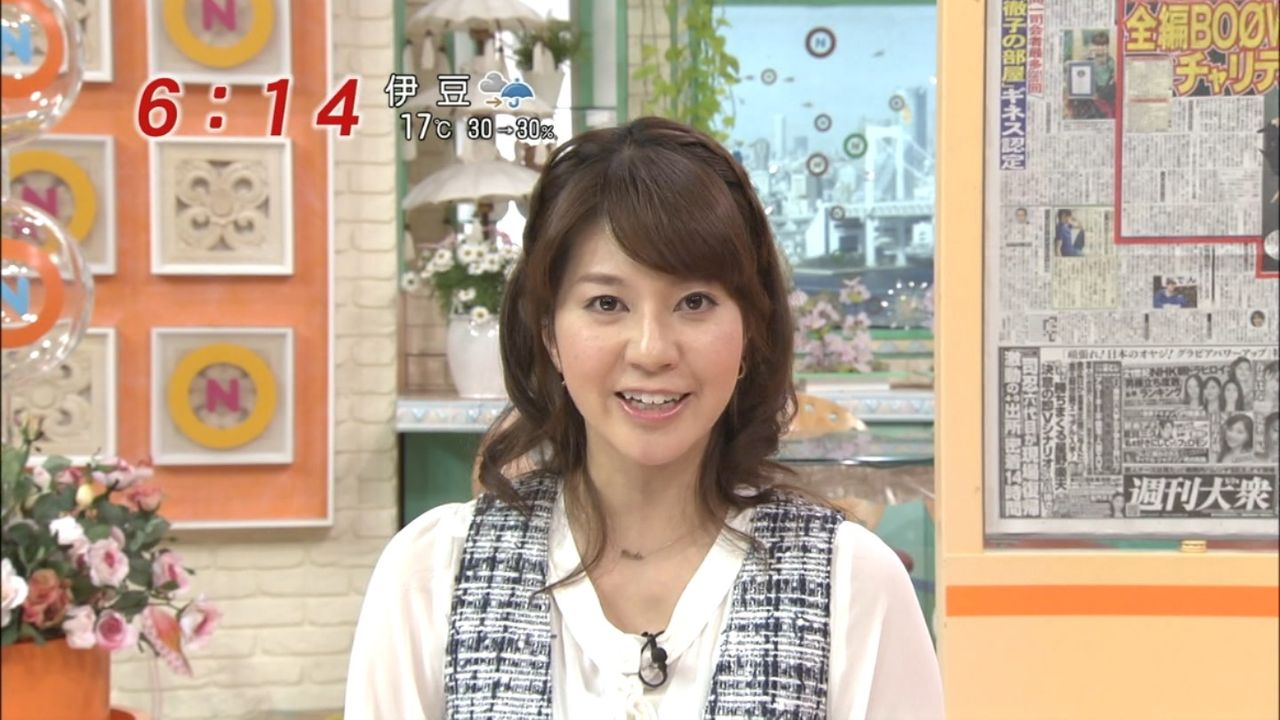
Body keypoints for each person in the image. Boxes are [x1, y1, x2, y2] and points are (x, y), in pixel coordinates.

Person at [345, 118, 944, 719]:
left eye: (694, 302)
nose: (652, 350)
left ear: (751, 330)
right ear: (550, 334)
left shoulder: (852, 584)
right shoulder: (433, 575)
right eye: (607, 303)